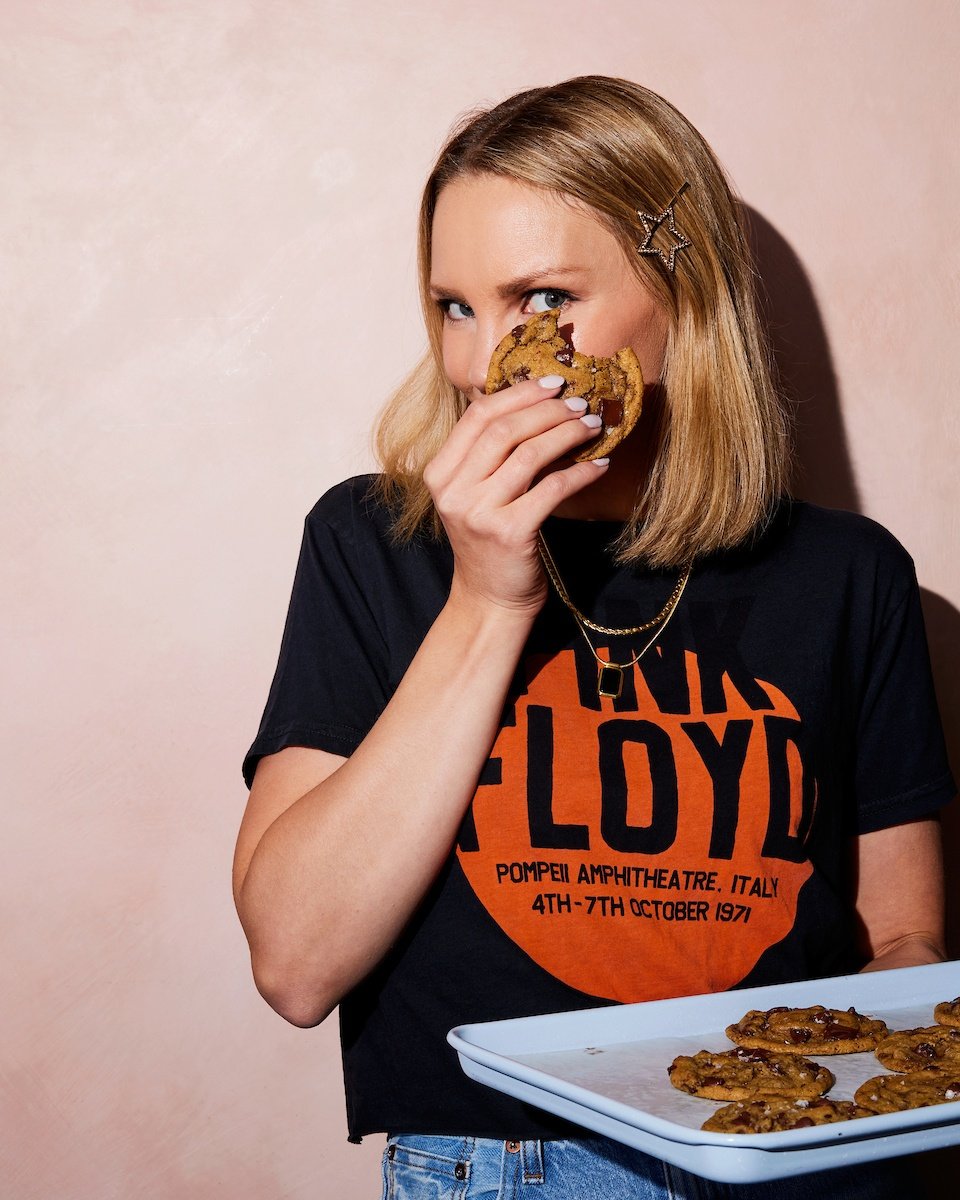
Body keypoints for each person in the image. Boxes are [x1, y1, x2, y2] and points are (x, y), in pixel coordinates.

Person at [233, 77, 955, 1199]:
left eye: (541, 296)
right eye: (455, 307)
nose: (482, 365)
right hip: (505, 1161)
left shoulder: (849, 576)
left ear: (683, 292)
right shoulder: (377, 544)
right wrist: (489, 596)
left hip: (788, 1159)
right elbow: (294, 963)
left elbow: (901, 945)